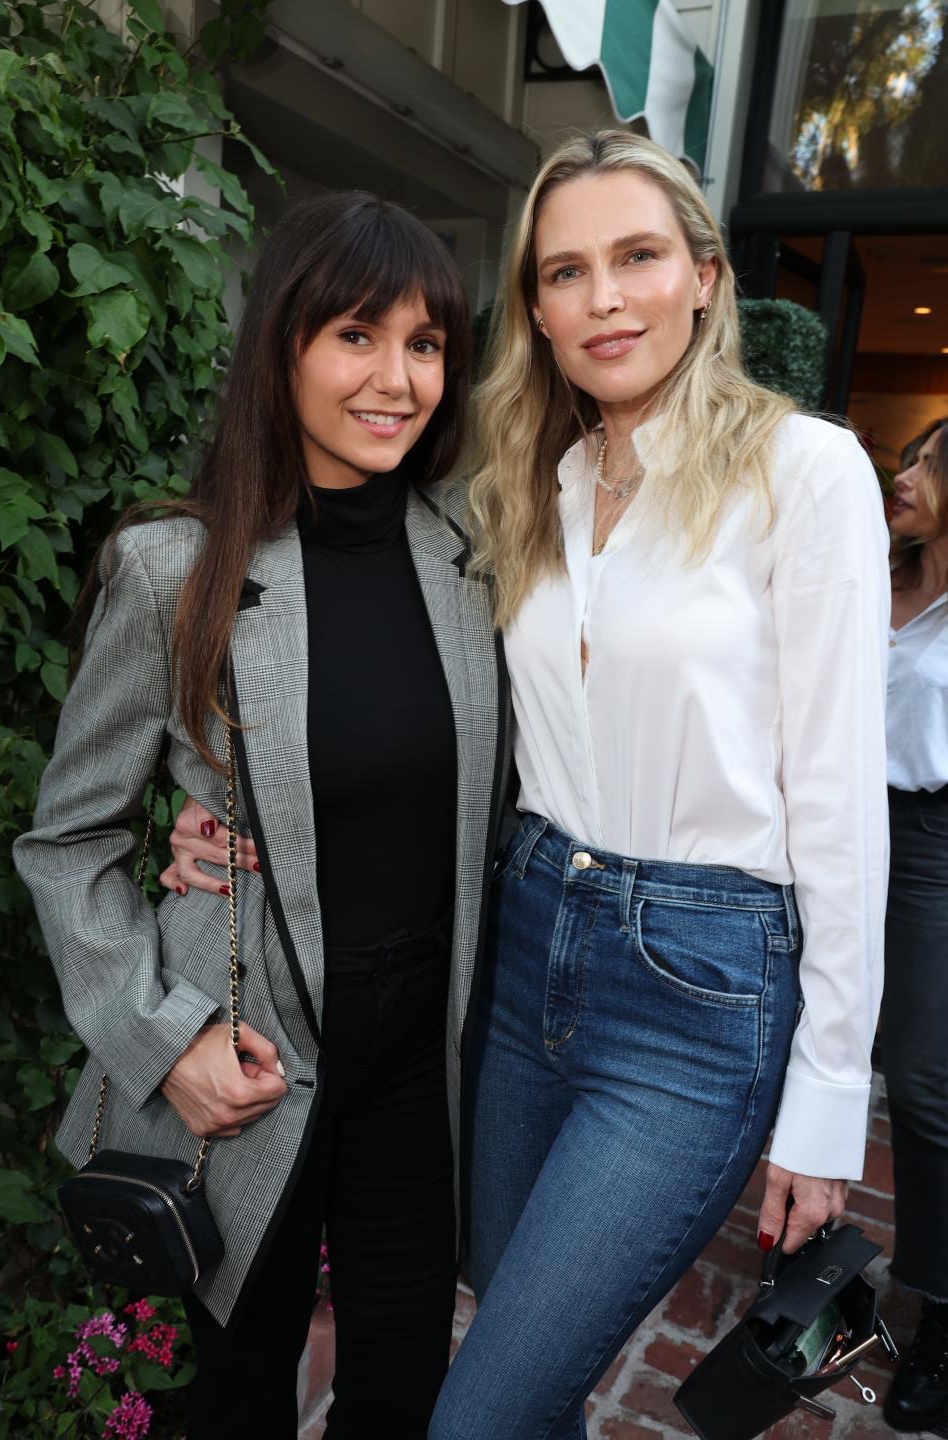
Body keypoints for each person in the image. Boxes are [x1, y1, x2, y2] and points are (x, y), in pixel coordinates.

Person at [14, 192, 511, 1440]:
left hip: (416, 1057)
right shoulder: (177, 572)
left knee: (402, 1386)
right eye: (356, 335)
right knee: (244, 1391)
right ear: (282, 343)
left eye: (426, 343)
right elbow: (66, 839)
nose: (396, 379)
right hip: (254, 1058)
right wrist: (154, 1037)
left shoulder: (477, 553)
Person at [423, 129, 890, 1440]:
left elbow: (842, 807)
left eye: (636, 257)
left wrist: (826, 1101)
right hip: (525, 950)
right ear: (535, 309)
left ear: (704, 275)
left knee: (483, 1416)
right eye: (565, 272)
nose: (605, 298)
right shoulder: (539, 482)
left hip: (698, 990)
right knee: (524, 1361)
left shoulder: (802, 474)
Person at [880, 417, 948, 1434]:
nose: (905, 475)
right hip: (838, 819)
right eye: (910, 456)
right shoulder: (875, 572)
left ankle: (939, 1319)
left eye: (932, 465)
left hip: (932, 840)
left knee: (927, 1085)